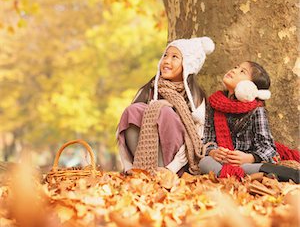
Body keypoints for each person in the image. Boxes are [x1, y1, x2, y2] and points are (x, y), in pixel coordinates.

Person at [117, 37, 215, 175]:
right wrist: (127, 166)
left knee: (164, 112)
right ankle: (142, 170)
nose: (166, 61)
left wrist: (171, 169)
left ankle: (161, 171)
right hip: (141, 161)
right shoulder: (148, 89)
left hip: (176, 165)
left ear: (188, 64)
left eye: (175, 57)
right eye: (165, 56)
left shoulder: (195, 96)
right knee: (133, 110)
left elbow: (197, 137)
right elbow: (122, 129)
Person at [199, 61, 300, 183]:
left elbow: (268, 148)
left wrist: (249, 158)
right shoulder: (214, 104)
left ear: (250, 87)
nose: (234, 70)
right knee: (204, 163)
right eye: (236, 67)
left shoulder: (257, 109)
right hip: (221, 162)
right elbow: (207, 139)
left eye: (242, 71)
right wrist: (214, 152)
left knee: (260, 168)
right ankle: (234, 175)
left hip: (247, 162)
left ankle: (233, 175)